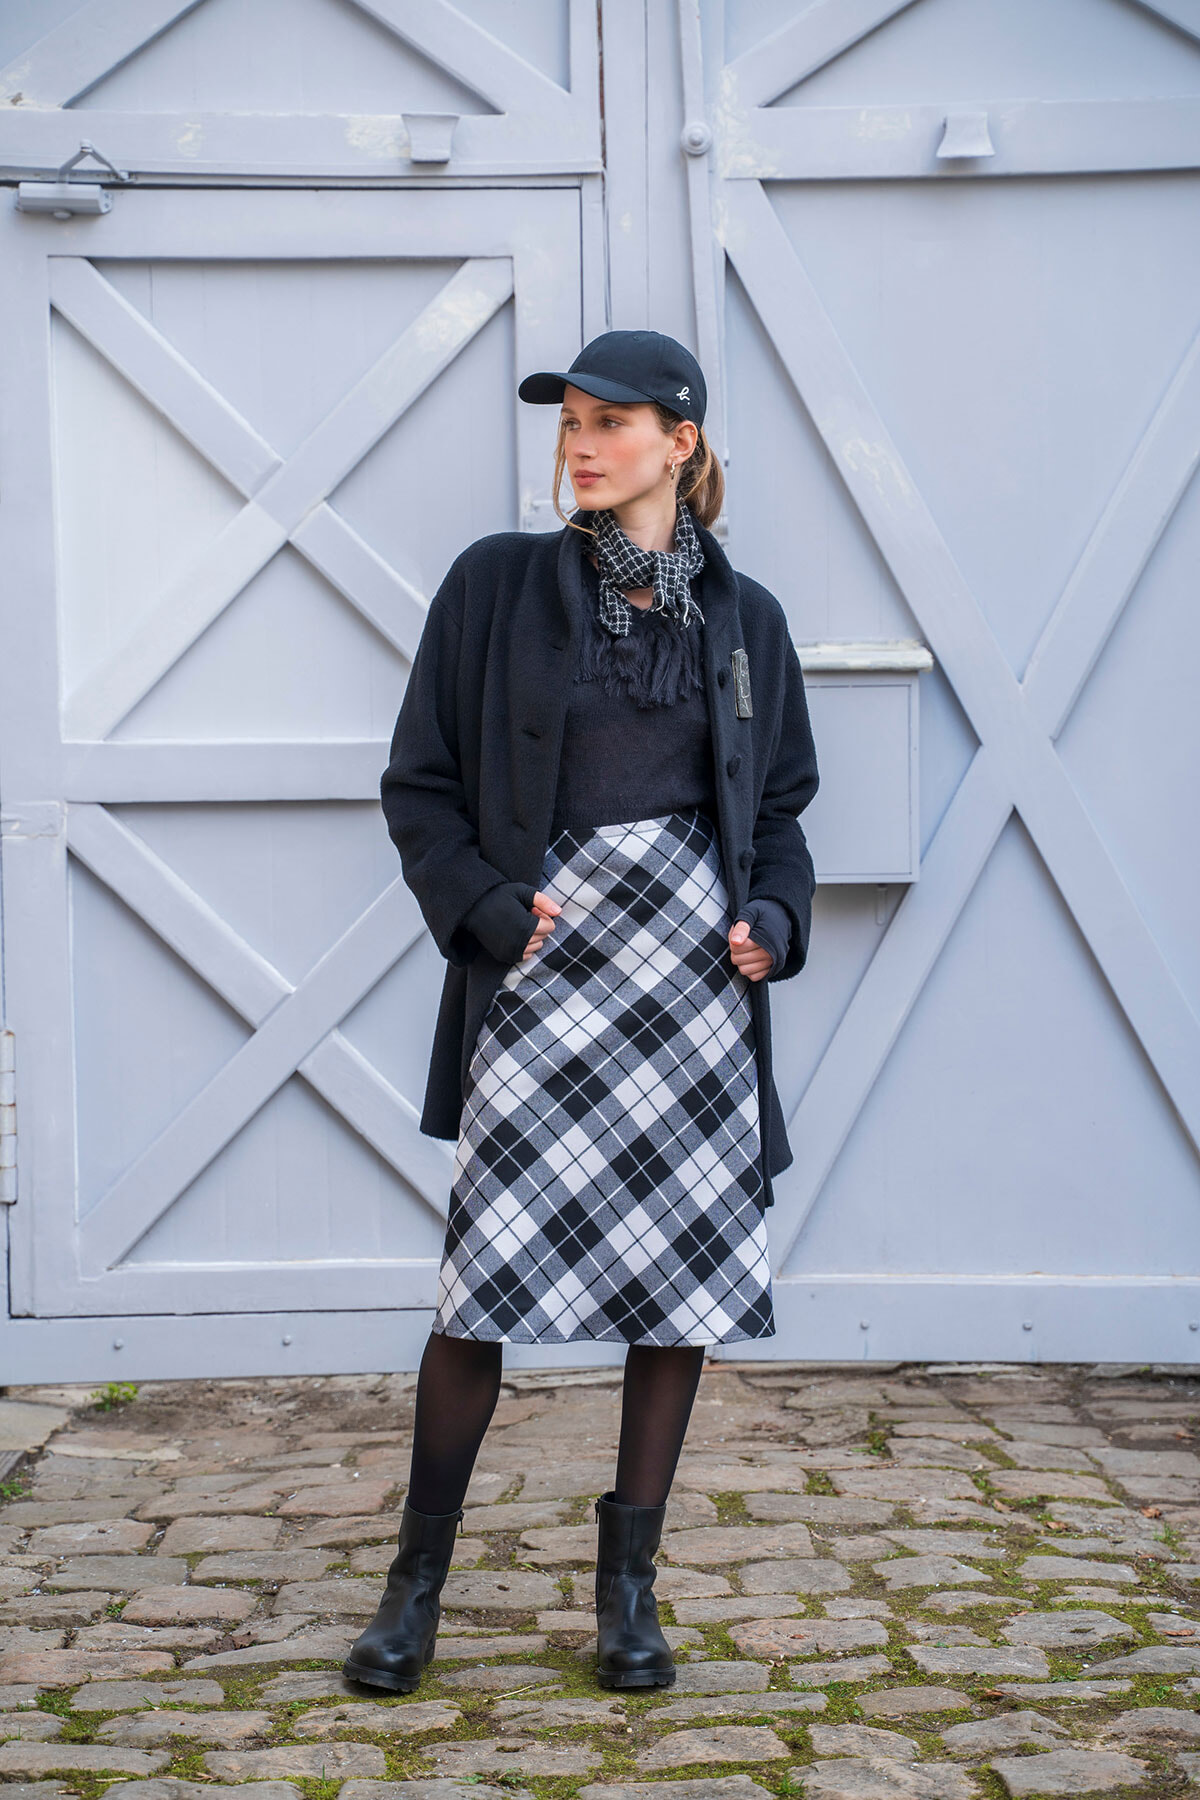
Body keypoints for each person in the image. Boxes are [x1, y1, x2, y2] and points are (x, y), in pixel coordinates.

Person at [344, 329, 819, 1697]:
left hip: (688, 981)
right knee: (481, 1279)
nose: (582, 445)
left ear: (682, 442)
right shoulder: (496, 587)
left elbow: (779, 812)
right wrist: (487, 907)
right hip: (542, 973)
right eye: (571, 425)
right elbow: (418, 784)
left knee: (676, 1284)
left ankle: (629, 1595)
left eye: (613, 424)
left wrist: (774, 925)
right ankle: (413, 1590)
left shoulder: (748, 621)